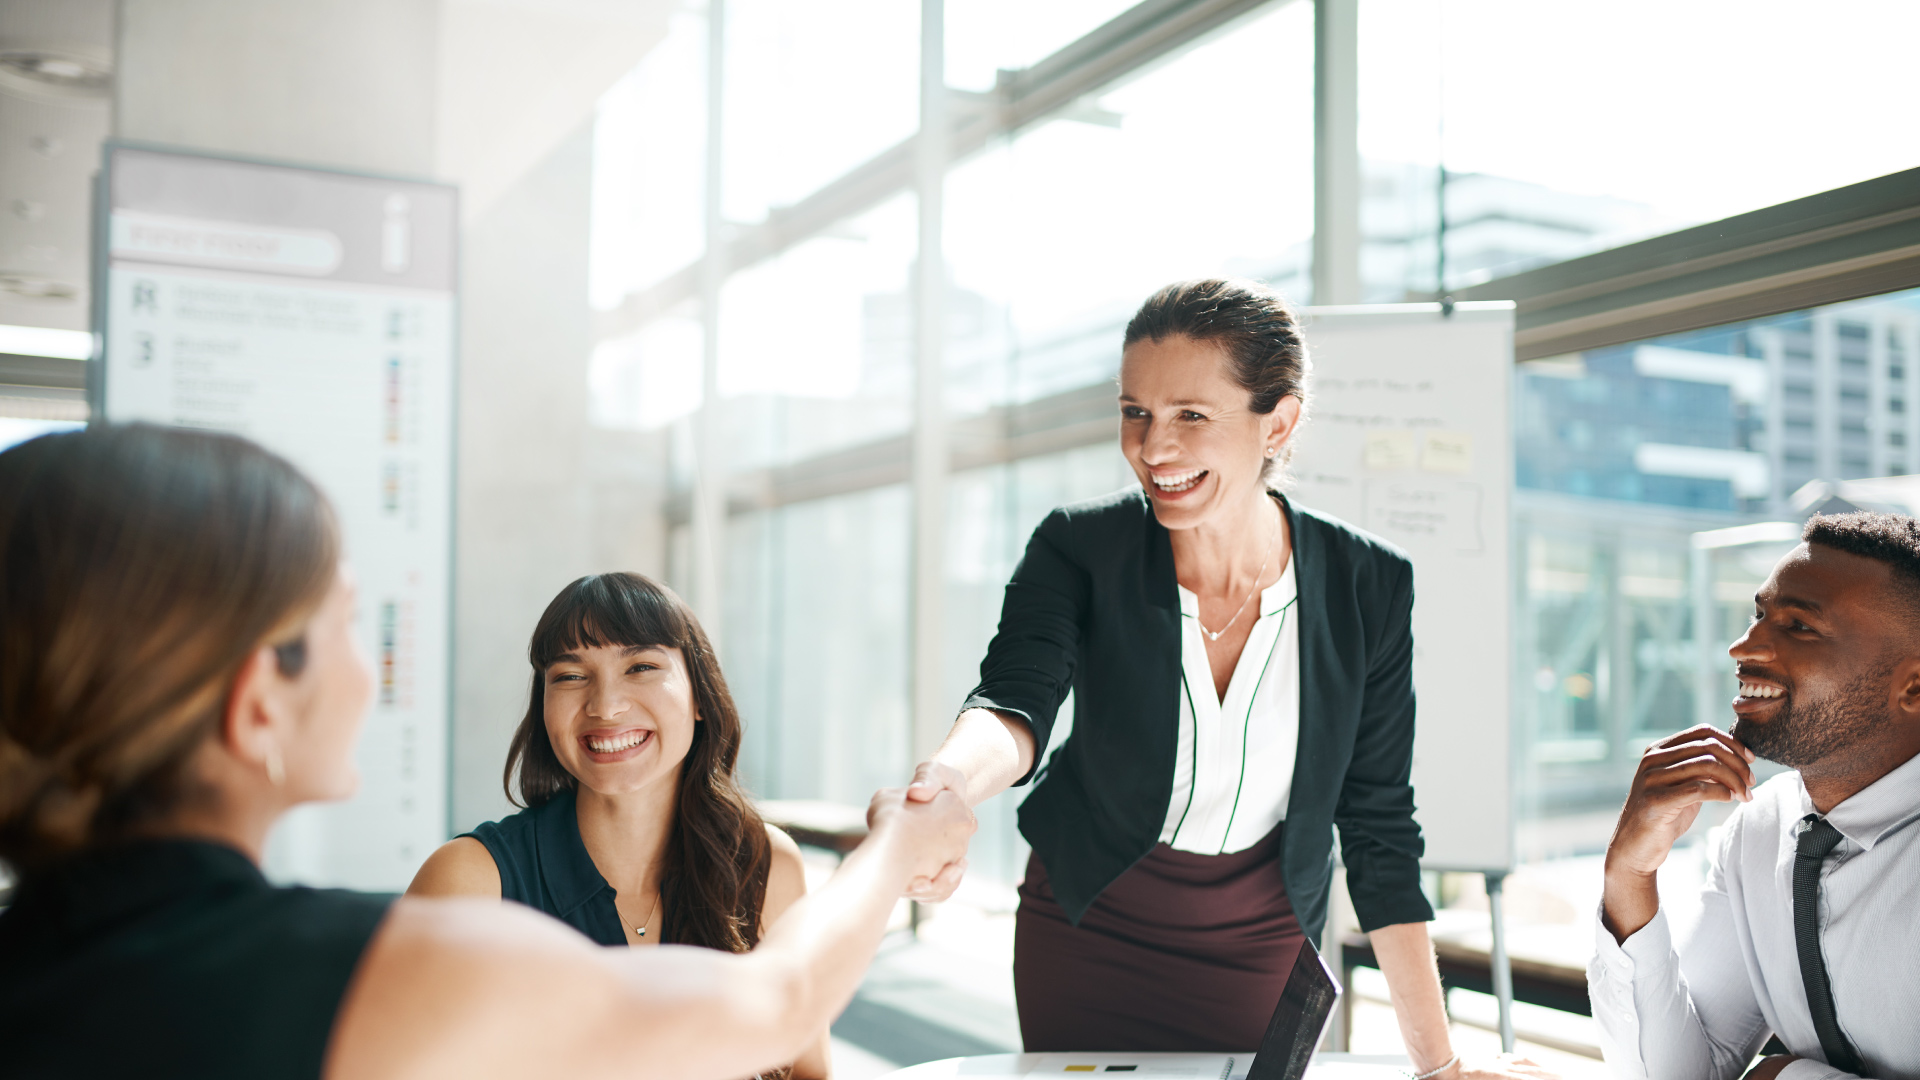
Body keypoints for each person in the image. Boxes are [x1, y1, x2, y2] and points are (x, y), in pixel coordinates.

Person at [0, 424, 974, 1080]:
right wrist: (896, 845)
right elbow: (780, 999)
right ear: (260, 703)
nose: (368, 667)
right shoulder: (387, 963)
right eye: (349, 622)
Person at [903, 279, 1546, 1077]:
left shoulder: (1367, 585)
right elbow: (1013, 702)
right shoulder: (1079, 550)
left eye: (1190, 417)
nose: (1152, 447)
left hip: (1264, 939)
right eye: (1134, 411)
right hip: (1090, 921)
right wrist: (949, 782)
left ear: (1279, 421)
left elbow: (1379, 826)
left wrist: (1439, 1067)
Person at [407, 572, 831, 1079]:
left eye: (642, 666)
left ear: (700, 696)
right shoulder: (469, 882)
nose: (605, 706)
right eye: (569, 675)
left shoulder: (766, 864)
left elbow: (809, 1073)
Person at [1592, 512, 1920, 1080]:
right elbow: (1681, 1073)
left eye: (1798, 627)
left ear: (1913, 686)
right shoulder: (1759, 828)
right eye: (1759, 614)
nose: (1743, 646)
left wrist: (1783, 1077)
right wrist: (1628, 876)